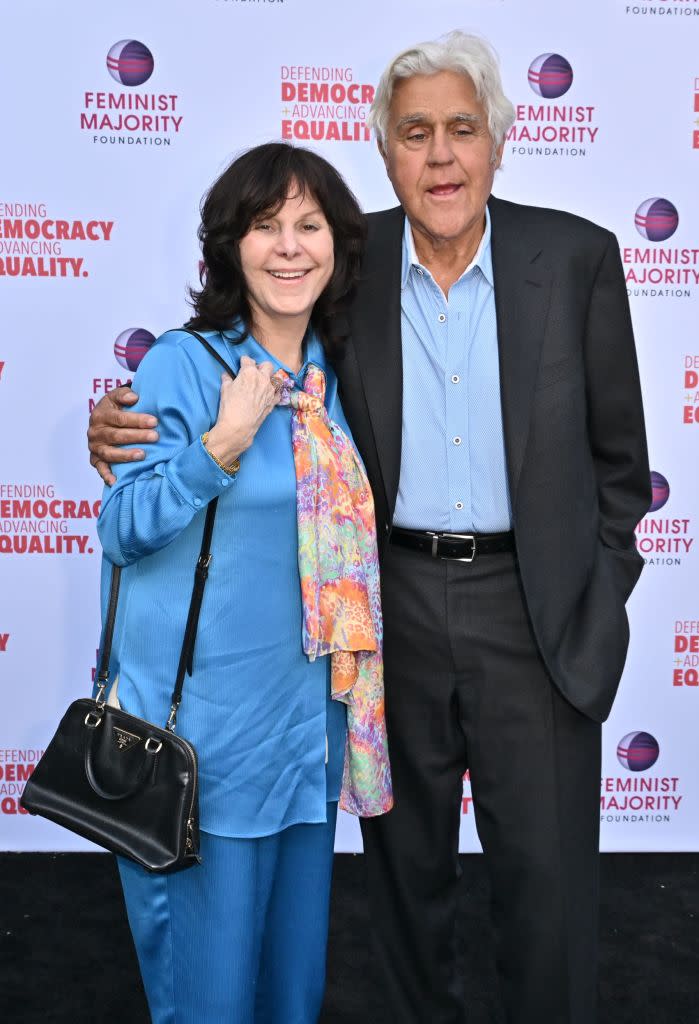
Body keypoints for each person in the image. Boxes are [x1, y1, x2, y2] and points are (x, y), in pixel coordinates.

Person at [88, 32, 651, 1024]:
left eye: (462, 130)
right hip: (392, 619)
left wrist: (593, 598)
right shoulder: (351, 269)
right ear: (386, 153)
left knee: (551, 902)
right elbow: (233, 345)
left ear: (498, 145)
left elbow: (622, 462)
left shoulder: (576, 259)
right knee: (402, 897)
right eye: (416, 133)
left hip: (536, 617)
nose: (441, 156)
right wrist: (121, 426)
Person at [92, 142, 391, 1024]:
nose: (290, 246)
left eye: (309, 225)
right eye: (266, 227)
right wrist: (219, 445)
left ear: (338, 245)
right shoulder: (185, 365)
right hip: (199, 753)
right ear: (230, 247)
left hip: (305, 744)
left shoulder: (340, 379)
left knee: (290, 999)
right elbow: (121, 527)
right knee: (209, 1001)